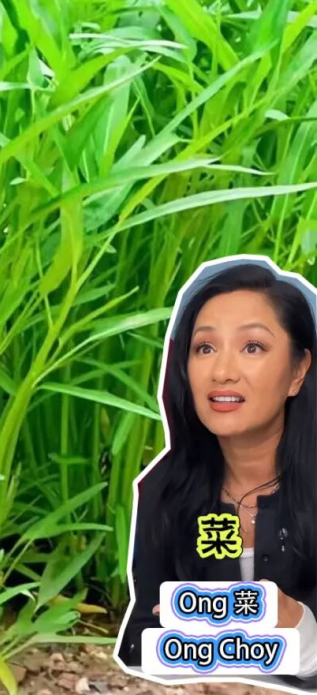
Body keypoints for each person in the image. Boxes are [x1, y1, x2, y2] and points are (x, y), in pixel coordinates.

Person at [115, 257, 317, 689]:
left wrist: (300, 632)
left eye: (252, 347)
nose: (222, 372)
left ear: (298, 371)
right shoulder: (164, 489)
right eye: (204, 348)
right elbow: (138, 640)